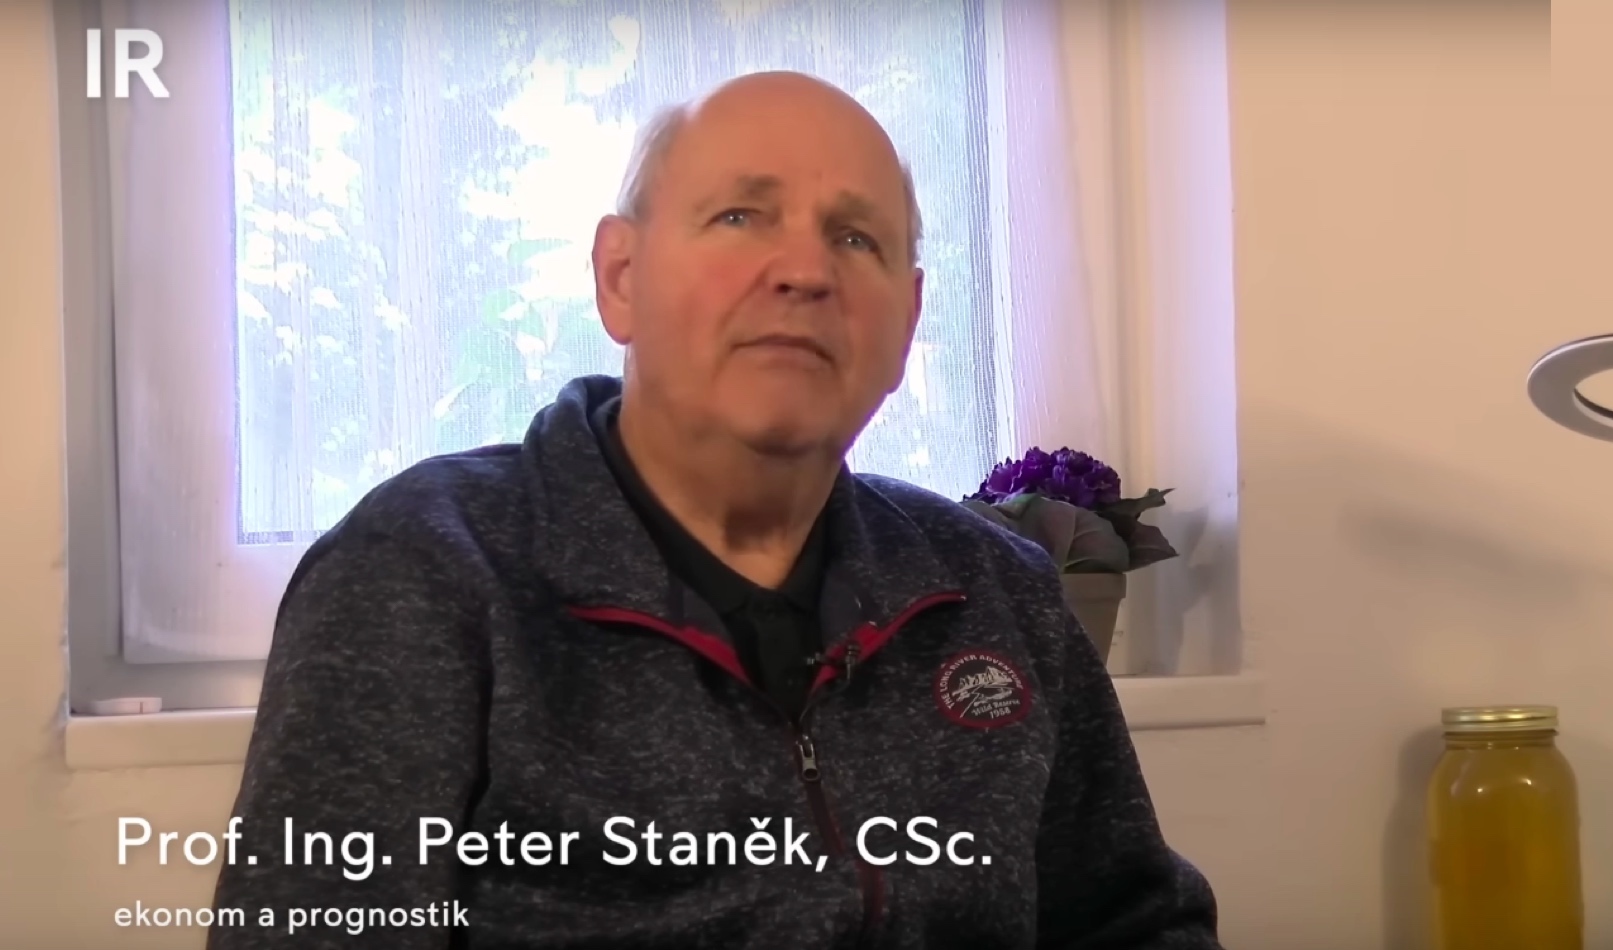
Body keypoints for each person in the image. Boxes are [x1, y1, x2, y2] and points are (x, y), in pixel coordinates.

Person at [208, 70, 1223, 949]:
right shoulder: (422, 570)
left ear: (908, 319)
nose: (806, 271)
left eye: (856, 237)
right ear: (620, 277)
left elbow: (1138, 921)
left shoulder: (999, 590)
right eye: (740, 216)